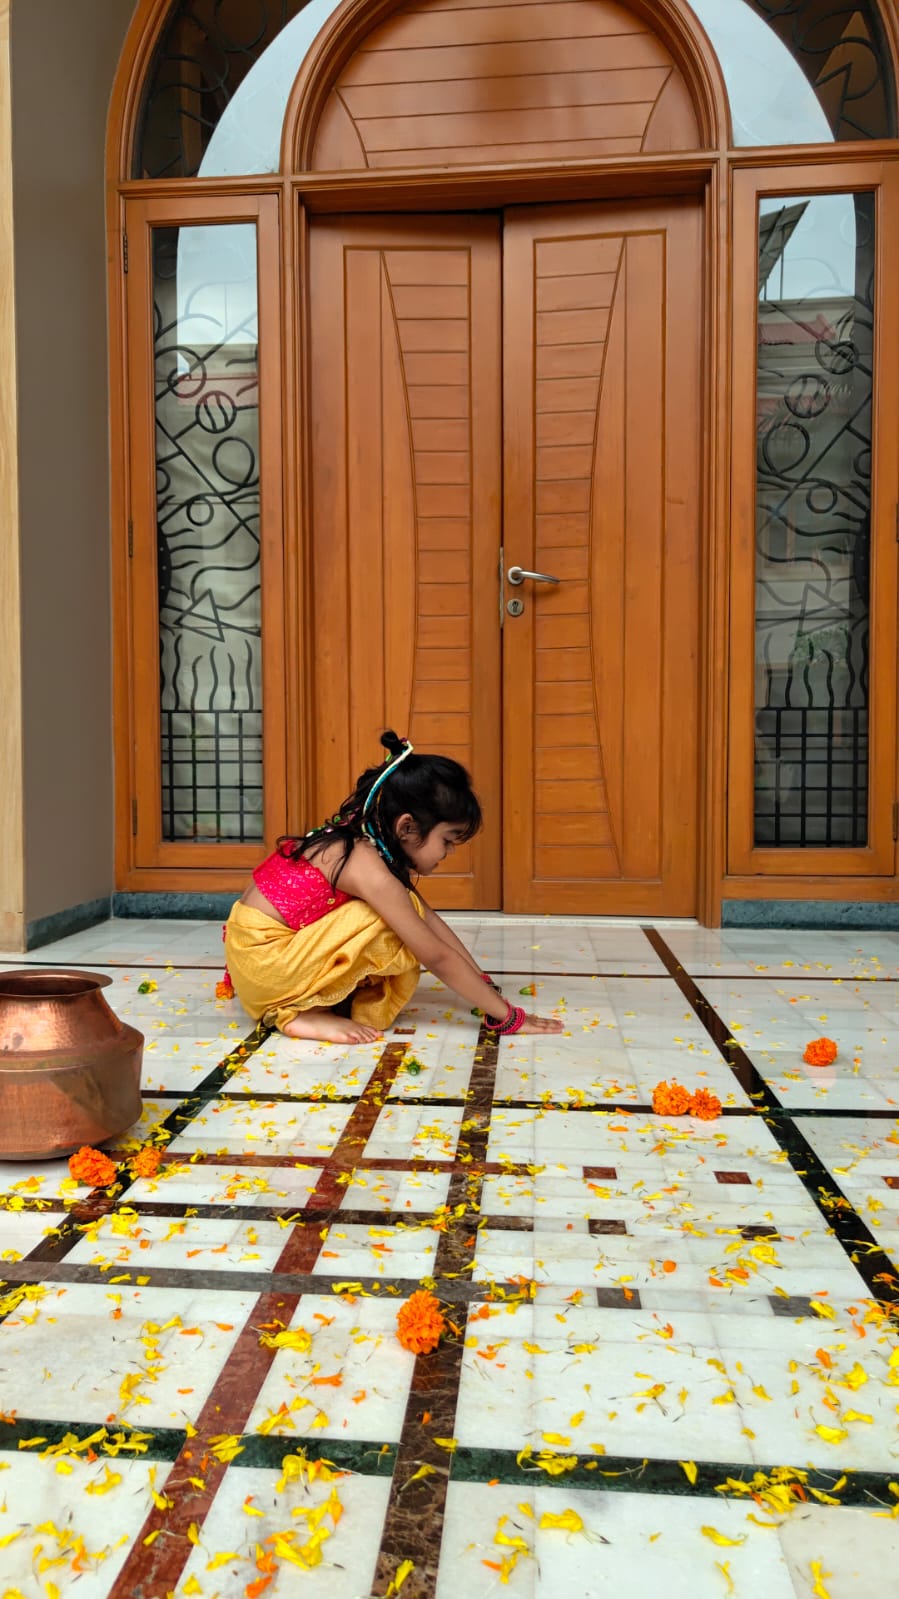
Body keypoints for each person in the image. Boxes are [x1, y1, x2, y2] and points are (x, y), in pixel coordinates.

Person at [224, 730, 563, 1044]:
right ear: (407, 828)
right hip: (267, 970)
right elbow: (435, 954)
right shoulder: (364, 865)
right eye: (447, 840)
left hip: (256, 961)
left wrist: (483, 984)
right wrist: (507, 1018)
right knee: (391, 923)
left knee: (406, 911)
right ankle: (301, 1014)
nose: (449, 853)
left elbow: (429, 920)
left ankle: (302, 998)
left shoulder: (363, 846)